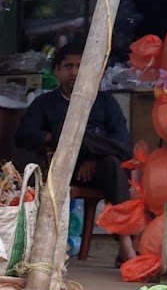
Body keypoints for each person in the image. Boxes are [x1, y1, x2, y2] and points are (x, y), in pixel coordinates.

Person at [15, 38, 138, 264]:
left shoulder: (105, 102)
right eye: (68, 66)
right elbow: (23, 135)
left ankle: (125, 243)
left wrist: (92, 155)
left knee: (113, 162)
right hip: (62, 169)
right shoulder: (45, 103)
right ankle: (77, 138)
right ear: (57, 71)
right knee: (64, 130)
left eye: (81, 66)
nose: (75, 72)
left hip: (99, 170)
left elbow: (124, 145)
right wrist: (55, 138)